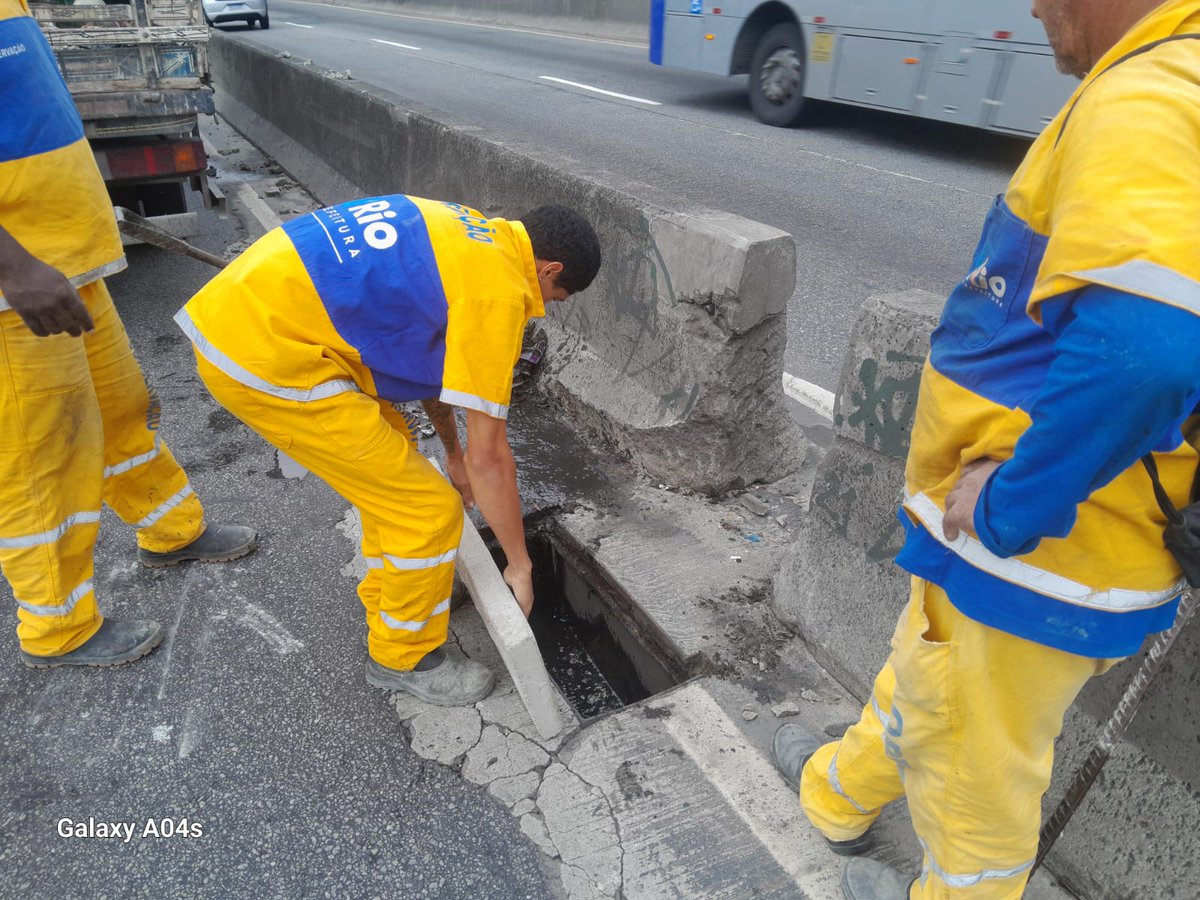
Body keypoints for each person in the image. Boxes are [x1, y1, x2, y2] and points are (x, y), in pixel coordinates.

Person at [772, 1, 1200, 897]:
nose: (1035, 6)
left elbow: (1148, 351)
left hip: (1035, 551)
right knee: (926, 673)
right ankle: (836, 797)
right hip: (1040, 543)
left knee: (974, 774)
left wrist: (1010, 510)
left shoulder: (1150, 96)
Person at [174, 195, 601, 706]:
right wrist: (518, 564)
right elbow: (493, 458)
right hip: (270, 359)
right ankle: (402, 657)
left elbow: (430, 366)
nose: (549, 304)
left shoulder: (467, 233)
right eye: (557, 293)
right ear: (548, 267)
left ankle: (399, 594)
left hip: (256, 320)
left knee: (392, 468)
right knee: (426, 510)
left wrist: (452, 454)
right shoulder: (499, 292)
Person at [0, 0, 258, 669]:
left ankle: (170, 529)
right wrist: (14, 266)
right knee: (44, 456)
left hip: (67, 263)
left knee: (121, 411)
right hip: (16, 290)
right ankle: (58, 626)